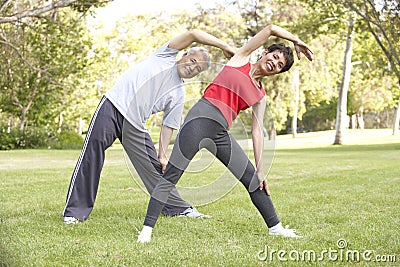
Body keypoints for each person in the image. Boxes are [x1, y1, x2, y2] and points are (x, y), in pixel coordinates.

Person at [137, 24, 313, 242]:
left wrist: (261, 170)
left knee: (252, 179)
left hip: (220, 133)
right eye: (275, 56)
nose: (274, 63)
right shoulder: (241, 58)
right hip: (197, 123)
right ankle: (146, 230)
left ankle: (276, 228)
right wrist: (297, 40)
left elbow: (257, 132)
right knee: (171, 176)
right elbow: (269, 29)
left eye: (279, 65)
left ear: (277, 72)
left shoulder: (260, 95)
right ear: (265, 52)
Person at [62, 30, 235, 224]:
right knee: (92, 154)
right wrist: (225, 47)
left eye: (197, 70)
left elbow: (168, 126)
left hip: (135, 126)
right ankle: (74, 213)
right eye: (193, 62)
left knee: (155, 168)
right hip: (112, 107)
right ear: (185, 54)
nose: (192, 69)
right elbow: (193, 33)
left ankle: (178, 208)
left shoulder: (178, 94)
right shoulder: (165, 56)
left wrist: (162, 155)